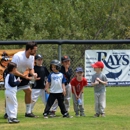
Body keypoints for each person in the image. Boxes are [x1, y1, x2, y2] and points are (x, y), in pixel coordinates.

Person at [10, 41, 39, 118]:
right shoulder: (18, 56)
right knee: (10, 94)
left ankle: (28, 112)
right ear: (29, 49)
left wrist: (33, 74)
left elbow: (30, 68)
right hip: (12, 75)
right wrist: (25, 77)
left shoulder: (32, 57)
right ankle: (7, 113)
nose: (36, 51)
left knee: (28, 91)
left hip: (21, 75)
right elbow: (13, 70)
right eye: (35, 50)